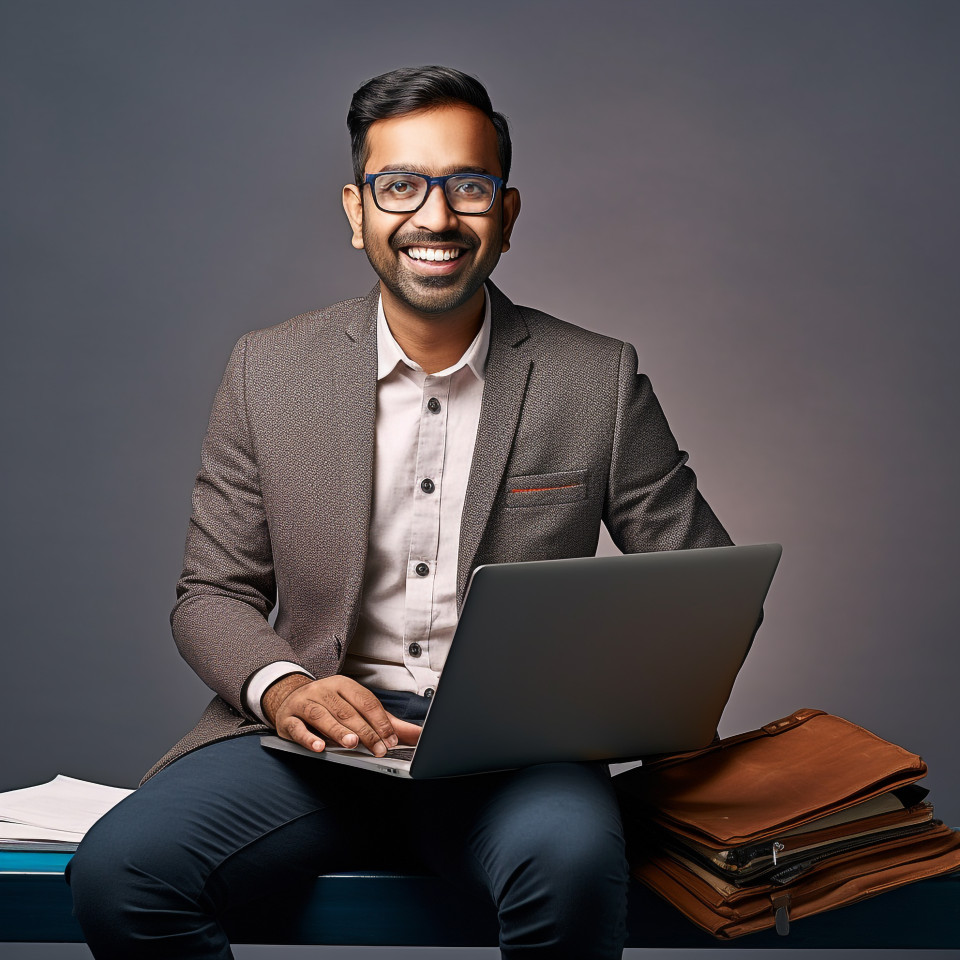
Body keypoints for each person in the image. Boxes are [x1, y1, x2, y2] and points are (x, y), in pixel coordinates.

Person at [67, 65, 732, 959]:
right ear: (356, 211)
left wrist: (575, 699)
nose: (435, 217)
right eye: (400, 187)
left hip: (516, 760)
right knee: (122, 874)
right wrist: (287, 686)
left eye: (468, 186)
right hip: (306, 747)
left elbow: (702, 591)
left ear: (507, 213)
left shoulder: (596, 377)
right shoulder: (270, 370)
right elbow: (210, 595)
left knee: (570, 871)